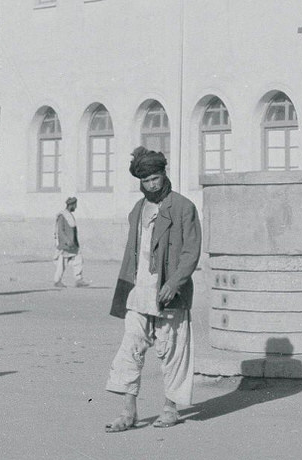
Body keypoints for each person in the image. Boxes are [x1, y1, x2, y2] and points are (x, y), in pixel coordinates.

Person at [104, 147, 201, 432]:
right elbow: (133, 253)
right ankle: (128, 411)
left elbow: (191, 251)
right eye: (146, 181)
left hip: (170, 291)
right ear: (140, 182)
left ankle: (171, 408)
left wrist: (174, 283)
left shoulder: (184, 207)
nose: (152, 185)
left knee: (171, 349)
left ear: (164, 175)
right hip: (139, 291)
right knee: (130, 347)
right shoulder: (137, 210)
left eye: (156, 178)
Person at [54, 196, 88, 288]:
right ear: (71, 205)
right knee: (62, 263)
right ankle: (57, 281)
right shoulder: (62, 216)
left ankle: (78, 280)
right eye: (75, 205)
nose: (76, 207)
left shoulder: (69, 215)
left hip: (73, 245)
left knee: (78, 259)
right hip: (65, 245)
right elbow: (60, 231)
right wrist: (67, 241)